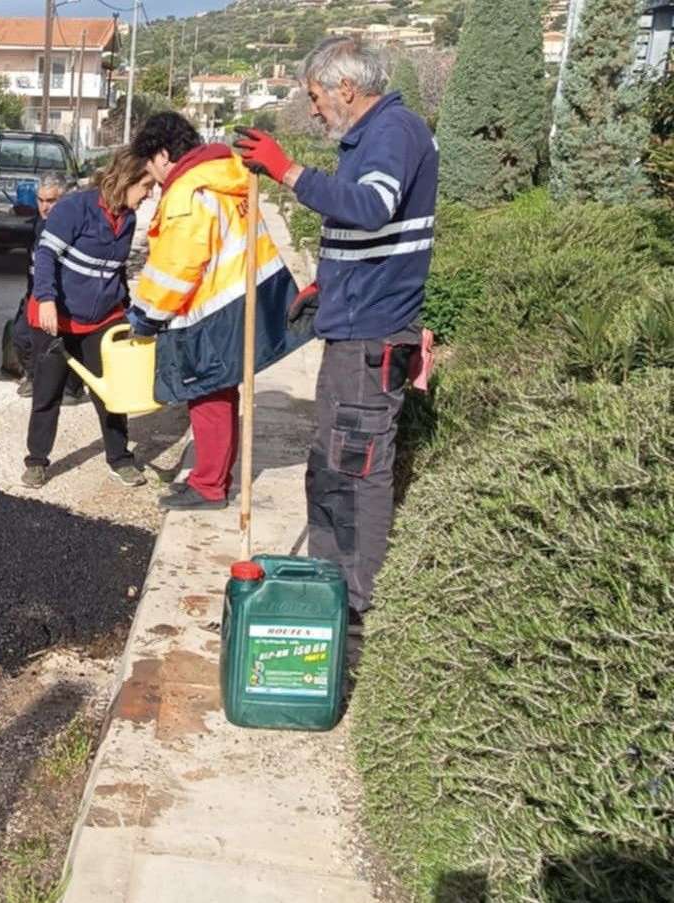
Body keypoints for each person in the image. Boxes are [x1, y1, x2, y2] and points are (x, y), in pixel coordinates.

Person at [233, 36, 439, 622]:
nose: (315, 109)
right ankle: (328, 589)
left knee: (354, 468)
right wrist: (328, 282)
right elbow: (364, 229)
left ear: (346, 87)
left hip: (372, 335)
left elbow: (371, 207)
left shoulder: (394, 131)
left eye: (315, 96)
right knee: (331, 464)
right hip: (355, 323)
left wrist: (286, 170)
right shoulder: (369, 138)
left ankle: (351, 605)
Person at [126, 113, 306, 511]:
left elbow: (177, 267)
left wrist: (147, 315)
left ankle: (209, 487)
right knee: (221, 394)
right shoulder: (227, 176)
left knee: (207, 396)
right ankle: (212, 478)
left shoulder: (189, 192)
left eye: (151, 166)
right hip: (247, 297)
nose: (153, 177)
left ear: (163, 155)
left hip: (213, 310)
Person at [21, 150, 156, 490]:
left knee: (111, 393)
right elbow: (46, 255)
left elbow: (115, 271)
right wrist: (46, 300)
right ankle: (36, 461)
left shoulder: (128, 219)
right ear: (126, 180)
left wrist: (127, 309)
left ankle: (120, 459)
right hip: (58, 318)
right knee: (47, 393)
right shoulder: (74, 208)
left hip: (103, 320)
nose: (149, 193)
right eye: (145, 186)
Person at [10, 174, 83, 405]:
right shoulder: (38, 224)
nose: (44, 207)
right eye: (40, 200)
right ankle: (35, 377)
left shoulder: (74, 225)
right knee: (21, 335)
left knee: (69, 341)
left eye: (51, 201)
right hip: (37, 293)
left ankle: (72, 387)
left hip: (65, 296)